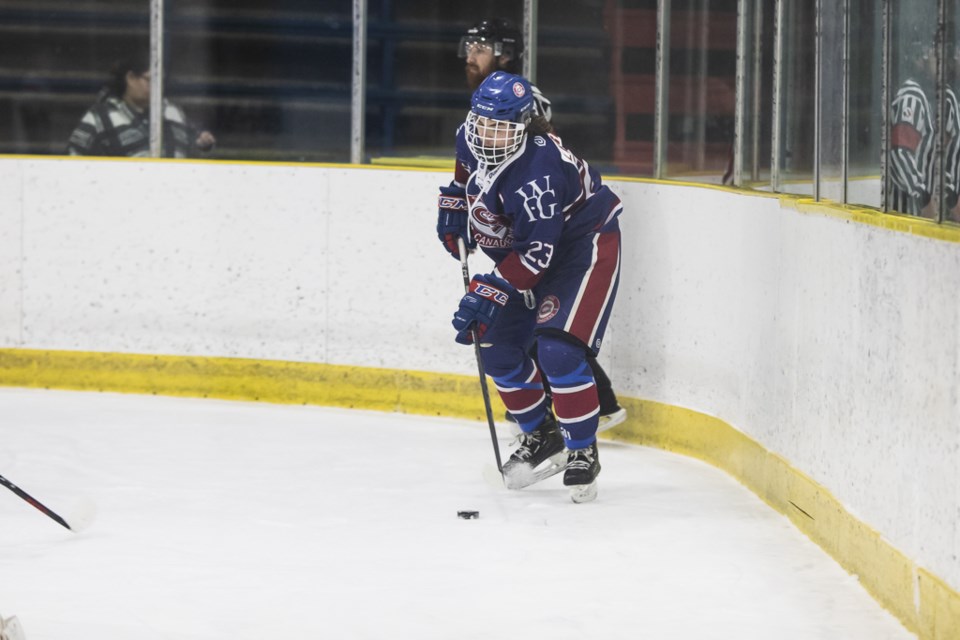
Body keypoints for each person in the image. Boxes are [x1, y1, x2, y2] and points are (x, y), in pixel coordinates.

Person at [442, 71, 624, 503]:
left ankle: (581, 448)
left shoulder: (537, 176)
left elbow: (536, 257)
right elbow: (463, 176)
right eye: (481, 122)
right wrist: (451, 207)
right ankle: (541, 433)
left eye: (500, 127)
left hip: (579, 250)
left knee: (557, 351)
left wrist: (489, 289)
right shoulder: (470, 135)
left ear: (523, 126)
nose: (486, 134)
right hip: (529, 251)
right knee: (495, 346)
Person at [454, 19, 626, 432]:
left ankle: (595, 405)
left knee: (548, 326)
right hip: (530, 227)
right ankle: (582, 407)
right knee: (526, 325)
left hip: (552, 226)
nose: (469, 55)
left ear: (505, 52)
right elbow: (473, 160)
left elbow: (538, 165)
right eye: (469, 46)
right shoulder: (485, 105)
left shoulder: (524, 100)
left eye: (480, 47)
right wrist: (457, 203)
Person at [67, 55, 215, 158]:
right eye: (151, 79)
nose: (158, 86)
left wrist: (203, 145)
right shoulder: (99, 118)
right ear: (131, 78)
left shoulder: (173, 112)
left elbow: (194, 151)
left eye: (161, 80)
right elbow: (73, 159)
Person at [889, 34, 937, 216]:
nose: (938, 62)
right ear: (919, 59)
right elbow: (900, 155)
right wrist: (924, 198)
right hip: (910, 218)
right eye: (934, 55)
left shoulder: (922, 96)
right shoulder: (912, 96)